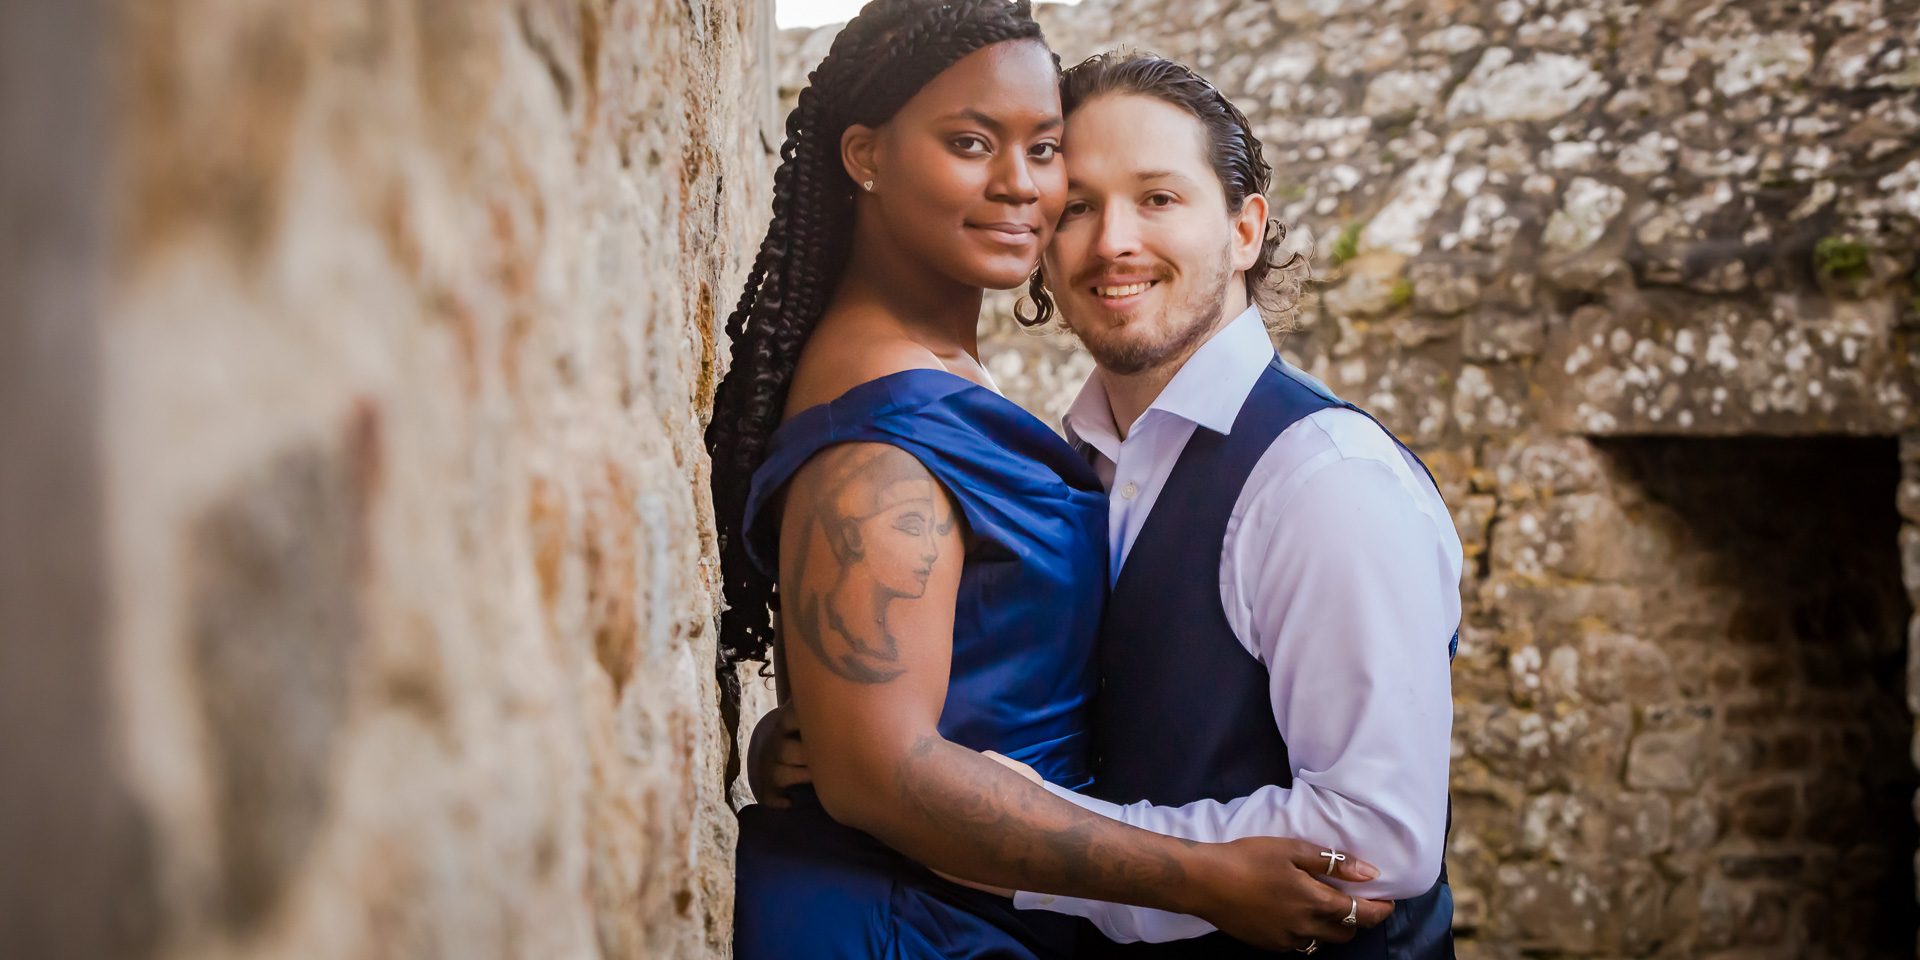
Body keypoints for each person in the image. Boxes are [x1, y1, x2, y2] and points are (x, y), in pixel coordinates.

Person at [707, 2, 1390, 958]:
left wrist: (829, 722)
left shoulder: (939, 369)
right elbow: (878, 779)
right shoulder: (886, 433)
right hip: (903, 925)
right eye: (971, 142)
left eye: (1042, 149)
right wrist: (1194, 874)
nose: (1019, 185)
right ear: (865, 156)